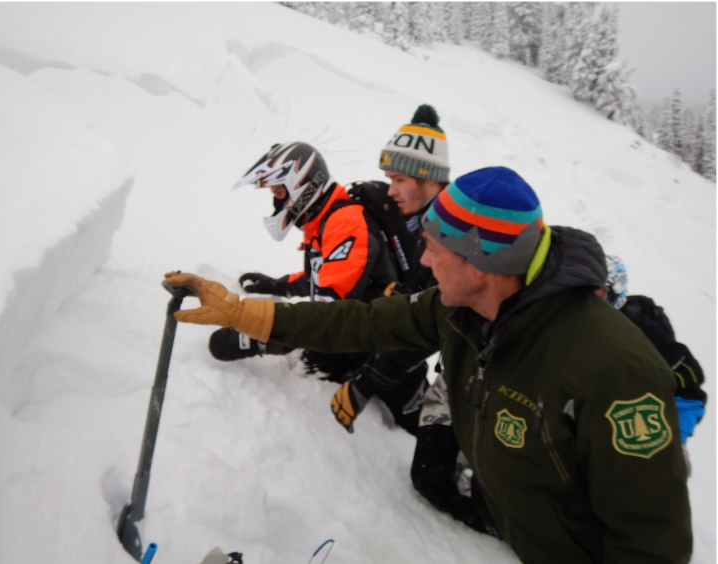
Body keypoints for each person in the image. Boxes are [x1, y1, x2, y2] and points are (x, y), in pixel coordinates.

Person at [165, 165, 692, 562]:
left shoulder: (615, 372)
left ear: (484, 262)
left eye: (435, 248)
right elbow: (357, 323)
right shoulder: (458, 307)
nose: (421, 260)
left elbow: (651, 542)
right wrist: (242, 313)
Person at [209, 140, 424, 432]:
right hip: (361, 338)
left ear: (302, 185)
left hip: (384, 350)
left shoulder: (344, 223)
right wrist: (277, 285)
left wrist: (257, 335)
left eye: (279, 192)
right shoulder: (325, 221)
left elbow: (326, 312)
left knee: (426, 432)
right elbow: (325, 279)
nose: (276, 202)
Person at [330, 103, 450, 433]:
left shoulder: (454, 239)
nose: (391, 189)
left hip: (436, 361)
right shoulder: (397, 205)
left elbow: (430, 329)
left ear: (429, 180)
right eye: (388, 179)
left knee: (430, 446)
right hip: (385, 333)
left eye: (399, 179)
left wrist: (366, 384)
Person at [598, 254, 707, 474]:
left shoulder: (646, 336)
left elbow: (688, 393)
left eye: (595, 290)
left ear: (613, 291)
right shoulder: (569, 323)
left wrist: (675, 441)